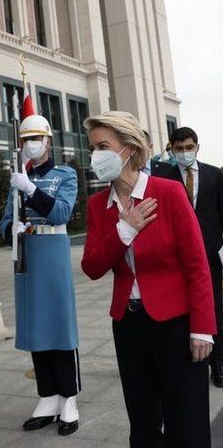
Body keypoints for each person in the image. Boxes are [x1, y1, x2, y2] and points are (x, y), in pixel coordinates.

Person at [81, 111, 215, 447]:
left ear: (128, 148)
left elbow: (198, 265)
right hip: (128, 323)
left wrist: (203, 328)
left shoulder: (167, 192)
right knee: (142, 421)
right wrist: (124, 229)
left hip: (177, 323)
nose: (96, 155)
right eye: (92, 147)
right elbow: (93, 266)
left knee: (187, 419)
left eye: (103, 146)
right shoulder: (98, 205)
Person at [0, 115, 80, 436]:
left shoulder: (65, 174)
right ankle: (47, 396)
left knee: (59, 325)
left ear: (47, 141)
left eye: (35, 138)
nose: (30, 144)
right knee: (36, 327)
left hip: (52, 253)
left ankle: (69, 397)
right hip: (27, 255)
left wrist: (31, 189)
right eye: (24, 139)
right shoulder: (19, 177)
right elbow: (5, 221)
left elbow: (60, 212)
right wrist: (12, 229)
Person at [154, 127, 223, 387]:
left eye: (189, 147)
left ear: (197, 146)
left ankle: (218, 364)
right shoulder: (164, 177)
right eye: (179, 148)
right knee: (181, 311)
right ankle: (188, 362)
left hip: (209, 254)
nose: (185, 153)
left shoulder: (214, 175)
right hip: (175, 257)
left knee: (214, 308)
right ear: (171, 148)